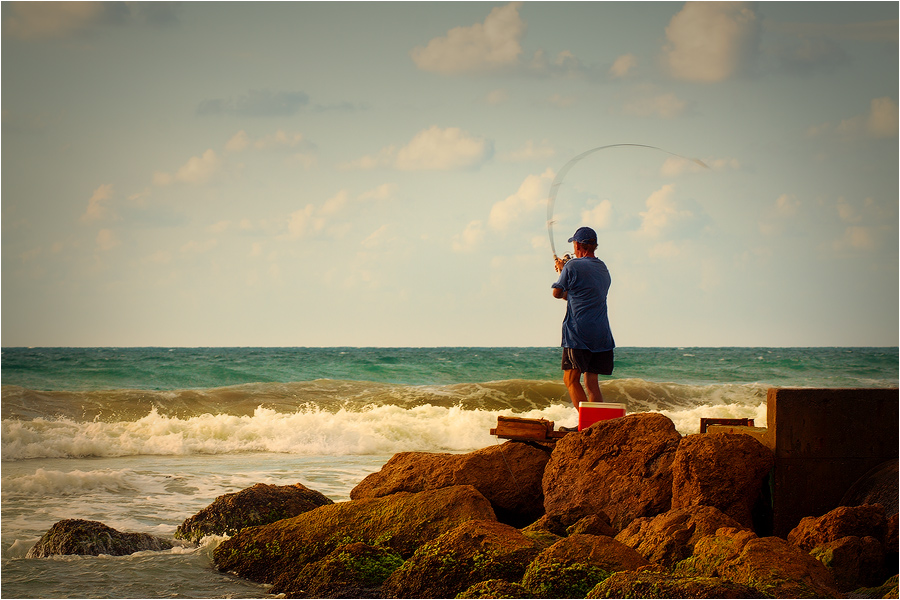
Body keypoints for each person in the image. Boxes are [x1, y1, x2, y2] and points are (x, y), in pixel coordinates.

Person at [551, 226, 615, 418]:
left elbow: (557, 293)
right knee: (591, 382)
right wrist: (566, 272)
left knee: (570, 379)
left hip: (578, 333)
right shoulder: (603, 268)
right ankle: (597, 426)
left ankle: (587, 423)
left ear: (577, 244)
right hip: (601, 334)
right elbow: (576, 296)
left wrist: (562, 271)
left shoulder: (572, 266)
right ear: (594, 246)